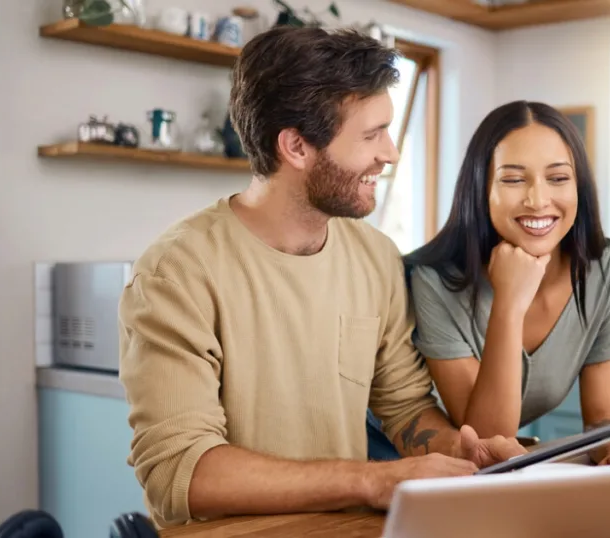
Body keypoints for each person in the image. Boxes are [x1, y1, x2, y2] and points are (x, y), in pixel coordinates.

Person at [117, 26, 525, 530]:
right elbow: (182, 473)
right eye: (371, 134)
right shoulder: (177, 273)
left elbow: (404, 407)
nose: (391, 152)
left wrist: (460, 454)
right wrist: (370, 480)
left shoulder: (375, 257)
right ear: (296, 147)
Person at [403, 101, 610, 486]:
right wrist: (508, 304)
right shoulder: (432, 279)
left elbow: (603, 417)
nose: (538, 200)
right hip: (408, 469)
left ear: (579, 187)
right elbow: (487, 443)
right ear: (481, 188)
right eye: (513, 179)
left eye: (557, 178)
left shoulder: (605, 267)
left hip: (487, 482)